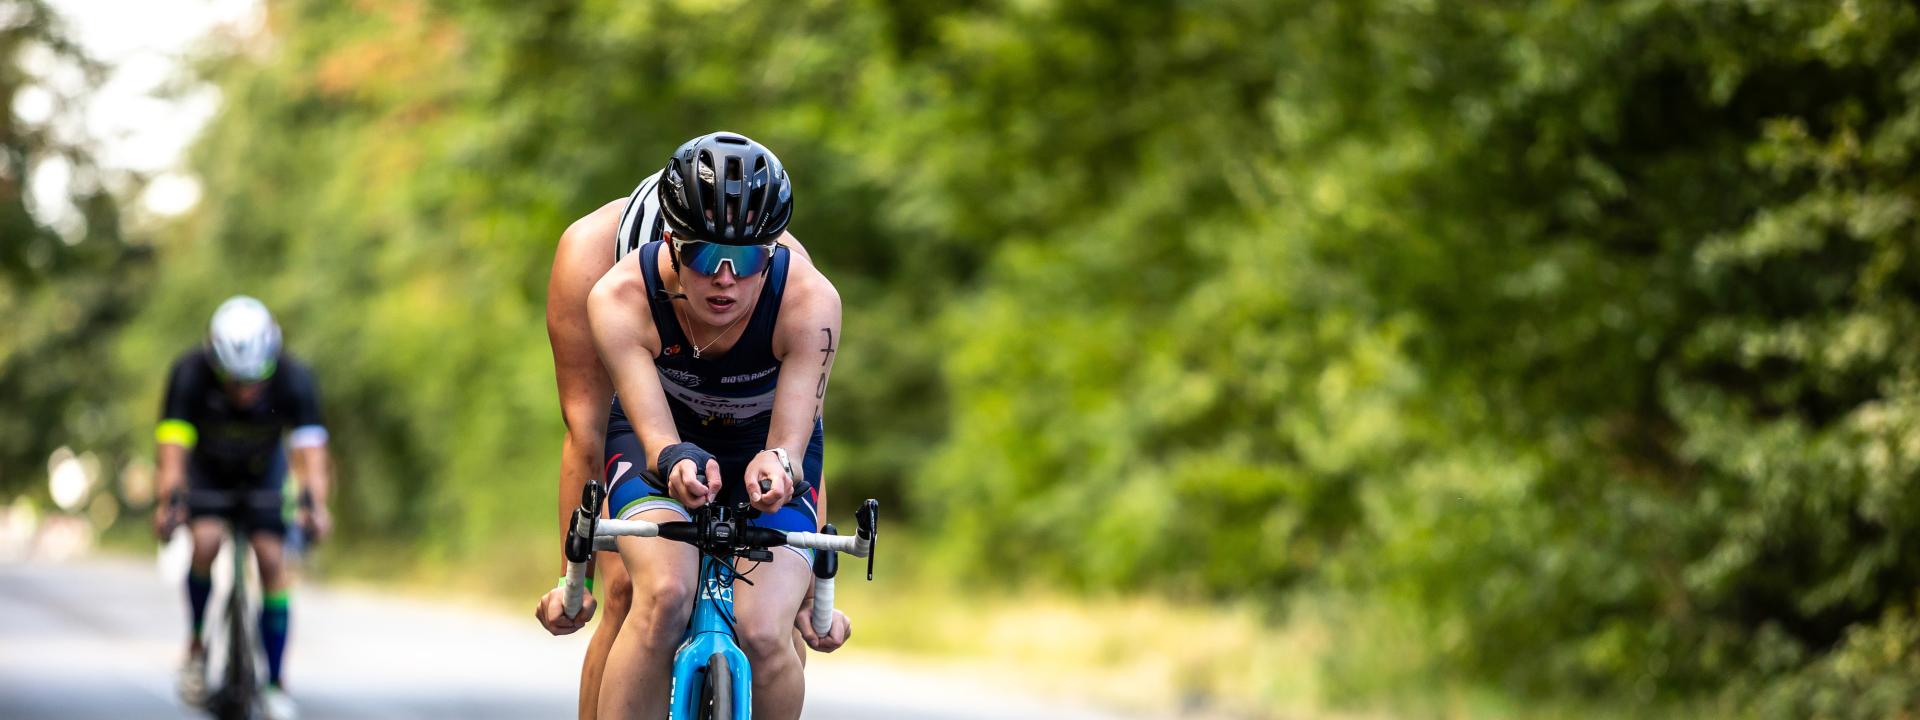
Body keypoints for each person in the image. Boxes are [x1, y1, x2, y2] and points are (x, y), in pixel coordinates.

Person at [533, 131, 850, 719]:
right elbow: (588, 436)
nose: (723, 279)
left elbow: (801, 437)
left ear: (772, 251)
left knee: (767, 627)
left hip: (760, 436)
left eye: (747, 260)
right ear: (667, 245)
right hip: (654, 429)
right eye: (702, 258)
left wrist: (811, 589)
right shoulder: (602, 277)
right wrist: (574, 582)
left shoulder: (803, 292)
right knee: (647, 594)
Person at [152, 296, 333, 720]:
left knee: (272, 559)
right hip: (207, 471)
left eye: (255, 381)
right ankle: (196, 646)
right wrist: (169, 503)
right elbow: (173, 452)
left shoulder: (294, 378)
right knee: (205, 541)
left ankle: (274, 682)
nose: (245, 391)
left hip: (263, 471)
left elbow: (311, 454)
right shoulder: (189, 373)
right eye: (234, 382)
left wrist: (317, 507)